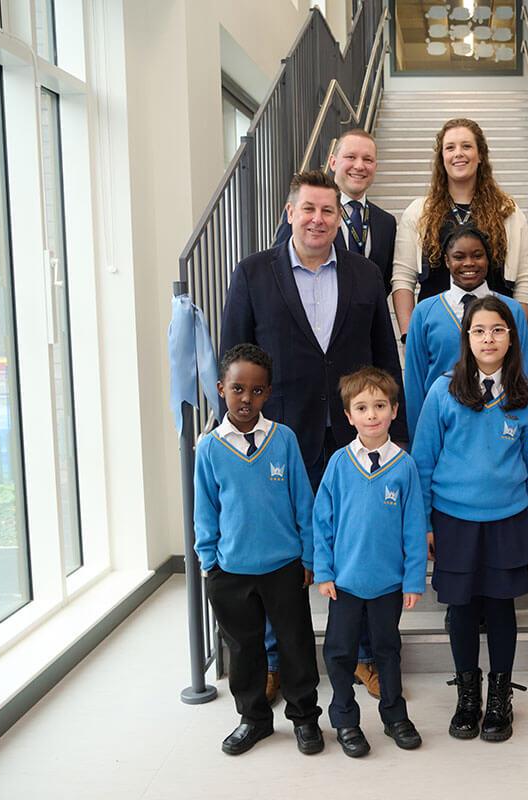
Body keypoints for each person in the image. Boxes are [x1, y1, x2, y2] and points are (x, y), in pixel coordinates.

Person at [220, 169, 405, 702]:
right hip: (279, 437)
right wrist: (235, 426)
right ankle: (277, 660)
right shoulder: (254, 273)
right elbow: (236, 356)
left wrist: (398, 432)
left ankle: (366, 657)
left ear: (338, 216)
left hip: (354, 437)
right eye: (309, 209)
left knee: (358, 544)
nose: (319, 219)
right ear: (290, 212)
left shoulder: (366, 274)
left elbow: (383, 359)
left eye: (328, 211)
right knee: (283, 553)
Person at [411, 296, 528, 743]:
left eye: (498, 330)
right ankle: (467, 695)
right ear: (466, 338)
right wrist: (426, 524)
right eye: (479, 331)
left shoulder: (524, 395)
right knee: (463, 610)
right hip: (454, 521)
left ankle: (499, 697)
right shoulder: (442, 391)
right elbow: (424, 462)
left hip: (509, 520)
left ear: (512, 338)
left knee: (501, 608)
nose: (488, 339)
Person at [193, 344, 324, 756]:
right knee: (245, 651)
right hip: (231, 572)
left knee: (296, 646)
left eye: (256, 390)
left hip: (283, 567)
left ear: (268, 393)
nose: (246, 399)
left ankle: (305, 718)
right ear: (221, 389)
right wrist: (210, 562)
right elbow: (205, 509)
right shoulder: (210, 448)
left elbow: (303, 501)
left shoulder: (283, 439)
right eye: (237, 390)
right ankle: (253, 719)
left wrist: (308, 556)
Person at [313, 367, 427, 758]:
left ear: (394, 410)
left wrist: (413, 580)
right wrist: (324, 570)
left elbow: (414, 528)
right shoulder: (339, 465)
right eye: (362, 407)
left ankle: (395, 716)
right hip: (344, 583)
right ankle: (345, 718)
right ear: (349, 416)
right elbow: (322, 522)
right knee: (340, 652)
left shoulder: (405, 466)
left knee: (387, 651)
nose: (372, 414)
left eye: (380, 405)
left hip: (388, 584)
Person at [390, 118, 528, 337]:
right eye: (450, 147)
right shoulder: (419, 212)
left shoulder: (509, 213)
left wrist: (516, 335)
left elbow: (524, 281)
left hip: (494, 337)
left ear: (480, 156)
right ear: (442, 158)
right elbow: (403, 277)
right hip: (436, 335)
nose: (458, 153)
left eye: (466, 146)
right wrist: (409, 335)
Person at [403, 224, 528, 439]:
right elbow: (415, 382)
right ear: (446, 261)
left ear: (488, 259)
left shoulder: (512, 310)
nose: (469, 263)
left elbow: (522, 372)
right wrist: (418, 436)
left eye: (477, 255)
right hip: (442, 425)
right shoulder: (424, 312)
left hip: (500, 424)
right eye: (459, 257)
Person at [274, 129, 397, 295]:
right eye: (351, 157)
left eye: (367, 159)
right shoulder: (306, 217)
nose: (359, 166)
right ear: (332, 162)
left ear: (375, 167)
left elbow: (383, 281)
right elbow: (278, 269)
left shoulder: (386, 223)